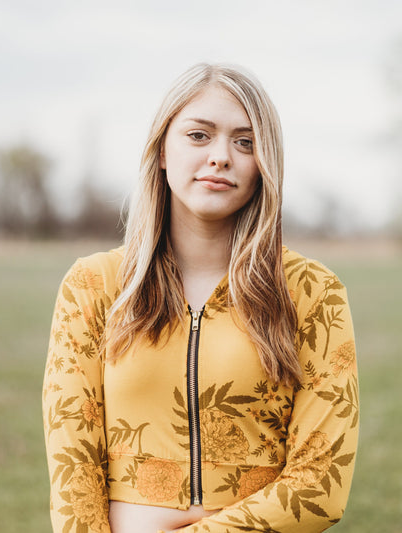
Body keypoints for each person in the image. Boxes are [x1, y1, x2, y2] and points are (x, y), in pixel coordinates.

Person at [43, 63, 359, 533]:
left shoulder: (313, 292)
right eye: (199, 135)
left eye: (245, 142)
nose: (221, 156)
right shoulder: (93, 284)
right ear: (163, 150)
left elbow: (319, 487)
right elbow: (73, 469)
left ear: (264, 164)